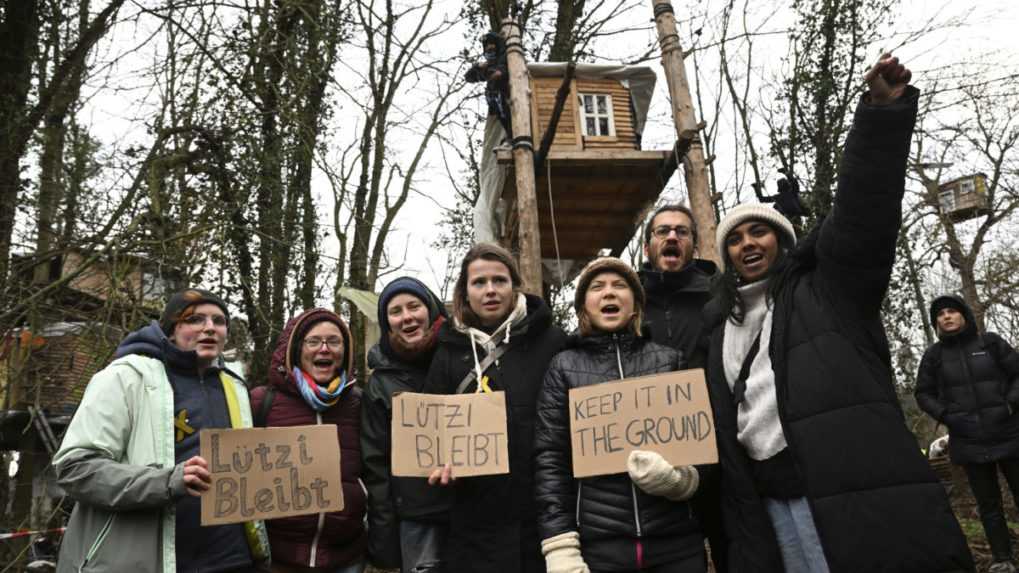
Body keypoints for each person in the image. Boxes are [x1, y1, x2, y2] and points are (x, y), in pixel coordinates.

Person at [703, 54, 974, 572]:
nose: (746, 244)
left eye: (758, 231)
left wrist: (880, 117)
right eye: (733, 240)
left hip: (846, 490)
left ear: (783, 240)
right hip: (766, 504)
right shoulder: (720, 328)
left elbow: (863, 210)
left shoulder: (830, 288)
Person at [54, 288, 270, 573]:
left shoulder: (236, 386)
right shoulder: (124, 377)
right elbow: (75, 468)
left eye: (218, 321)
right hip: (153, 562)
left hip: (233, 562)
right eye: (195, 319)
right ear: (171, 329)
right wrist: (166, 481)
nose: (209, 328)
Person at [534, 257, 707, 573]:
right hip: (600, 549)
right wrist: (560, 548)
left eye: (620, 285)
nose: (609, 293)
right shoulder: (562, 367)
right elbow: (551, 460)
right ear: (584, 306)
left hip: (677, 545)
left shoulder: (671, 361)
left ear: (636, 304)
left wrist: (680, 482)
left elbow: (701, 450)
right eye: (597, 287)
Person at [422, 243, 567, 573]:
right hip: (474, 526)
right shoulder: (447, 353)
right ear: (465, 291)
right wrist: (440, 464)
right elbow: (432, 433)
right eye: (479, 282)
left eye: (499, 280)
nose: (490, 290)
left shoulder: (553, 342)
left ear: (514, 286)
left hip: (542, 519)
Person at [250, 308, 366, 573]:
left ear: (345, 351)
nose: (324, 349)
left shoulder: (359, 403)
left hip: (346, 558)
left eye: (334, 341)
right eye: (313, 341)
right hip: (277, 560)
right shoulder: (261, 401)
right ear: (296, 349)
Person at [916, 294, 1019, 573]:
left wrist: (1010, 403)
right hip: (969, 440)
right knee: (989, 504)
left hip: (1009, 433)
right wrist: (947, 416)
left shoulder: (991, 343)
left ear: (964, 315)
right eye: (940, 314)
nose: (946, 316)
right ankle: (1002, 559)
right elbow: (923, 394)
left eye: (951, 311)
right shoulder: (934, 357)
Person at [361, 277, 451, 573]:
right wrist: (384, 544)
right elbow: (376, 470)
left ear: (432, 310)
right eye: (396, 311)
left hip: (475, 511)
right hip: (417, 523)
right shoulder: (379, 384)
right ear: (387, 324)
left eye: (414, 306)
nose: (407, 316)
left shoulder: (465, 357)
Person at [639, 204, 718, 370]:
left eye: (682, 232)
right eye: (662, 231)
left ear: (695, 250)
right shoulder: (628, 301)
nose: (672, 237)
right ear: (646, 249)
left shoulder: (719, 295)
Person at [465, 31, 511, 138]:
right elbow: (469, 77)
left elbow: (505, 68)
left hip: (507, 94)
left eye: (492, 45)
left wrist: (501, 72)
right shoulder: (488, 66)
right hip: (495, 100)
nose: (490, 48)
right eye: (487, 47)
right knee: (502, 116)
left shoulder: (507, 57)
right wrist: (478, 66)